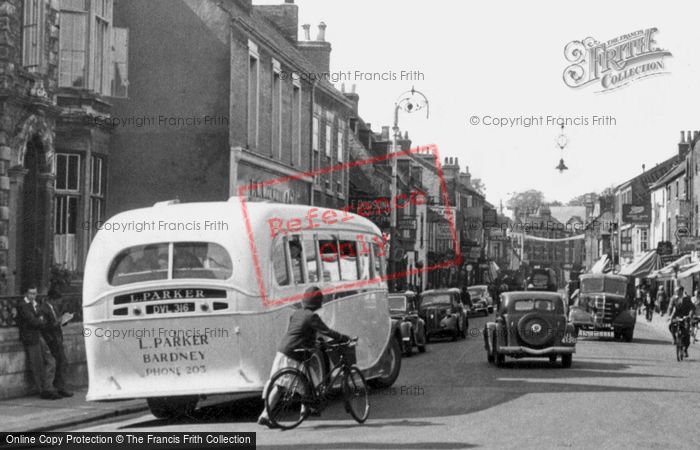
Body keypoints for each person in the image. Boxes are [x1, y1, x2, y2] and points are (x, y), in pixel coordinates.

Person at [258, 287, 352, 428]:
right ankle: (305, 410)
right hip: (294, 354)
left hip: (283, 351)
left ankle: (266, 414)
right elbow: (327, 331)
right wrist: (343, 337)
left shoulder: (296, 314)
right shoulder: (312, 316)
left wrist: (314, 342)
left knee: (279, 385)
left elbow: (299, 331)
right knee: (309, 382)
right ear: (317, 303)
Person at [15, 286, 61, 400]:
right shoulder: (22, 305)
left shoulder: (36, 304)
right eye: (30, 293)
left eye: (34, 294)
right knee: (37, 364)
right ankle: (43, 390)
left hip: (38, 335)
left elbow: (42, 318)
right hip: (30, 337)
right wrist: (40, 320)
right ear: (26, 293)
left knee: (51, 360)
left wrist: (40, 320)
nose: (32, 296)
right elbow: (32, 320)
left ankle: (48, 387)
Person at [40, 293, 74, 397]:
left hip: (58, 338)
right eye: (57, 300)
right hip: (51, 339)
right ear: (51, 299)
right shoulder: (44, 309)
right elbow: (44, 325)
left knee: (62, 363)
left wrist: (64, 320)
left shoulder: (54, 307)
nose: (59, 302)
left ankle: (61, 386)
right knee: (55, 363)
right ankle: (52, 387)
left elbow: (58, 321)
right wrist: (57, 322)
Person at [668, 289, 696, 358]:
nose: (677, 292)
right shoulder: (673, 298)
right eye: (676, 291)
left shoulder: (687, 299)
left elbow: (693, 308)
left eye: (679, 291)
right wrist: (669, 315)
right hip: (676, 316)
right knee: (671, 326)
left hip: (685, 317)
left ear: (682, 291)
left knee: (686, 333)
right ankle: (674, 338)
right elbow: (670, 307)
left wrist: (690, 315)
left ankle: (685, 349)